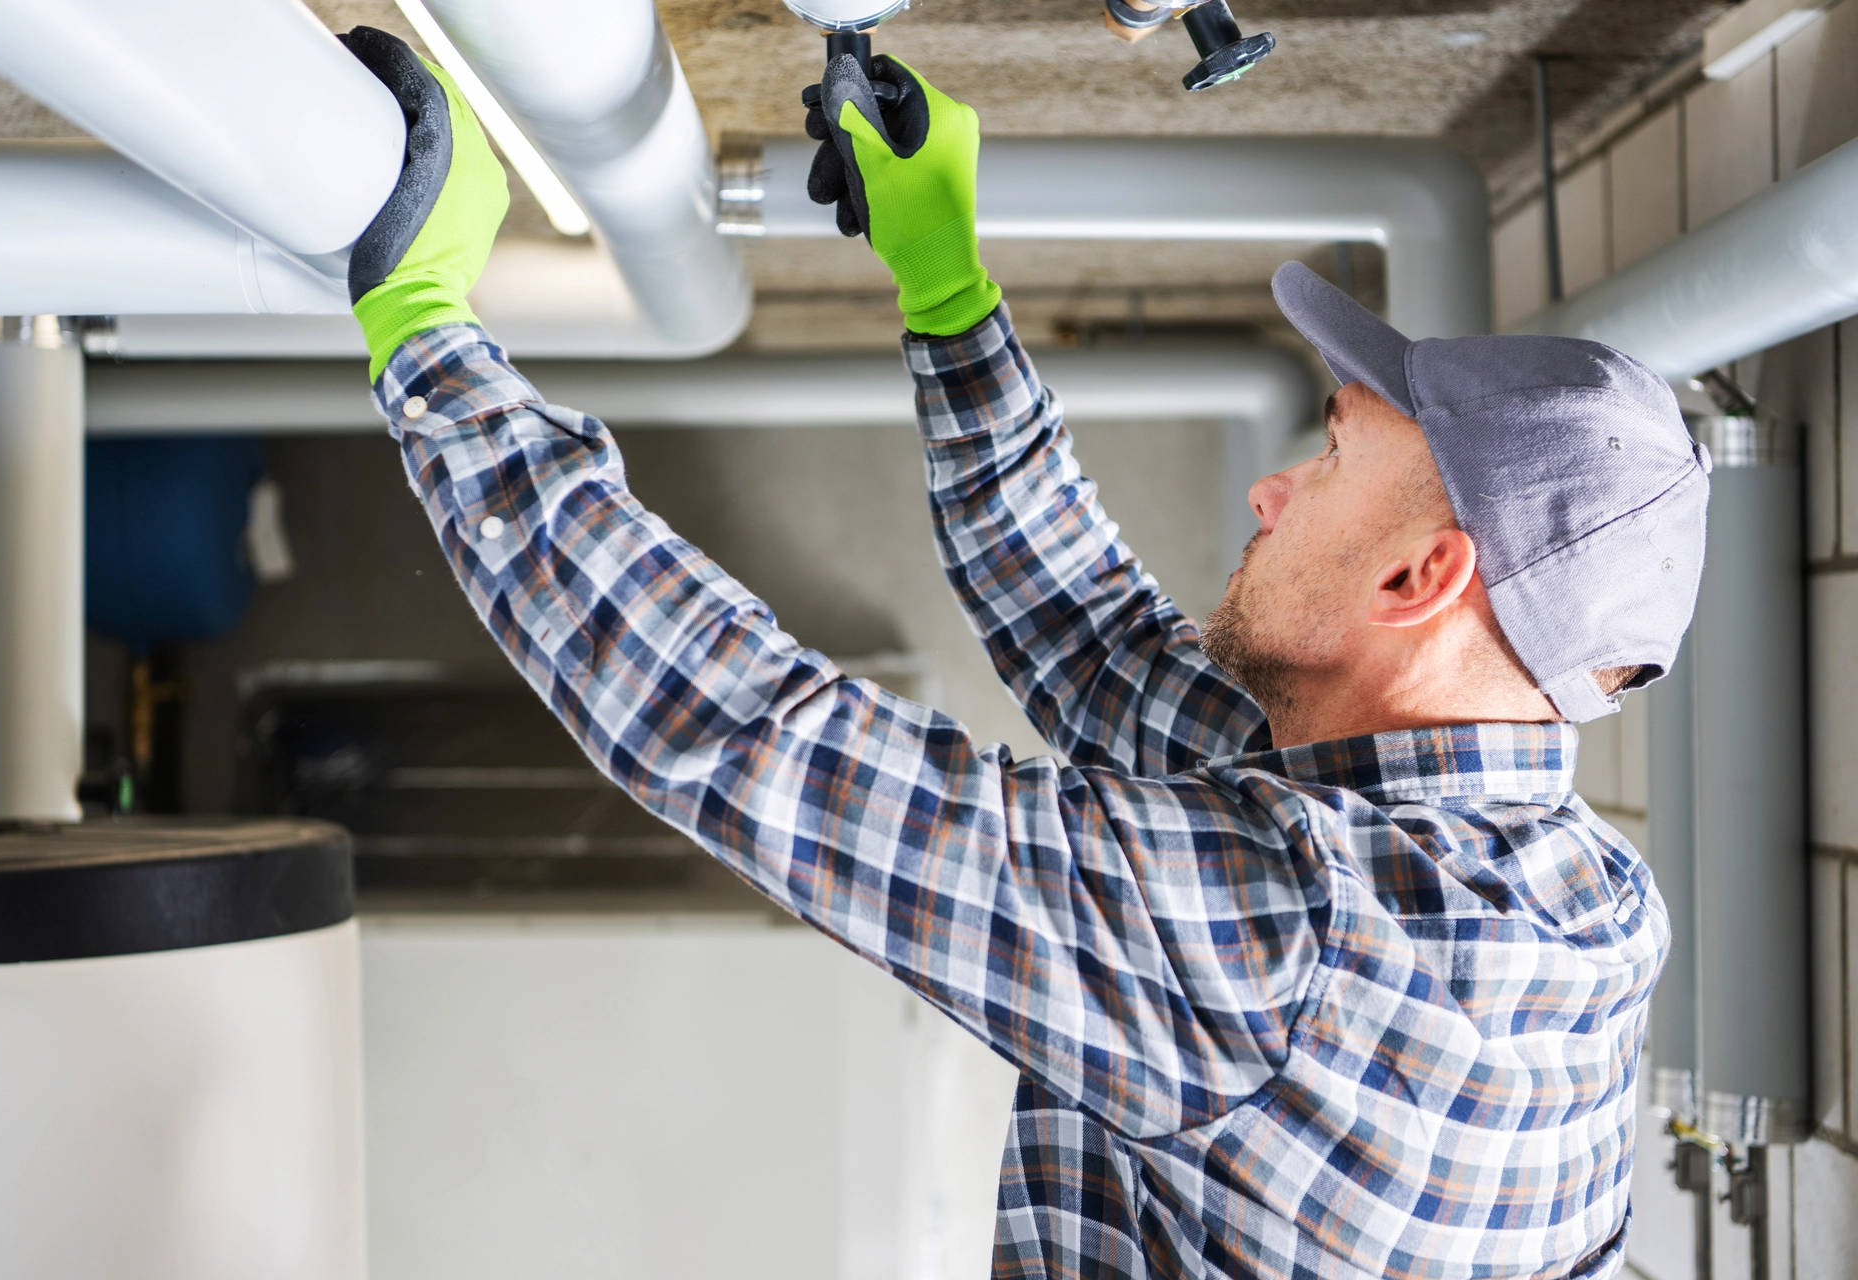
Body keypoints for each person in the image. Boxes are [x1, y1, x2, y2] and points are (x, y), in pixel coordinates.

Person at [338, 28, 1708, 1279]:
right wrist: (949, 288)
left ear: (1423, 575)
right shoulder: (1562, 889)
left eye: (1333, 457)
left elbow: (754, 739)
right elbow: (1100, 650)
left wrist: (428, 337)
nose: (1272, 492)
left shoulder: (1303, 951)